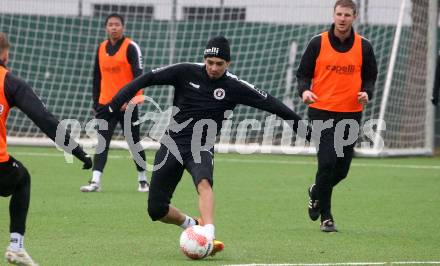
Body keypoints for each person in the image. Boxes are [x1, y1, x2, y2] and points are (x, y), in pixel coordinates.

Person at [97, 35, 310, 256]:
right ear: (204, 59)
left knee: (204, 183)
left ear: (229, 63)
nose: (214, 68)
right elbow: (145, 79)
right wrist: (113, 104)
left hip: (201, 145)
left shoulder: (235, 86)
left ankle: (208, 234)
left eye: (219, 64)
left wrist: (300, 127)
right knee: (156, 210)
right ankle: (192, 225)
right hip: (172, 143)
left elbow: (273, 103)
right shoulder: (185, 72)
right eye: (210, 62)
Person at [0, 32, 92, 266]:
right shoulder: (9, 82)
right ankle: (16, 245)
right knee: (21, 180)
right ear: (5, 54)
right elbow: (45, 120)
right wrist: (77, 150)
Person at [296, 0, 378, 232]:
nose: (342, 19)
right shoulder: (317, 43)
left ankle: (316, 191)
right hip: (322, 112)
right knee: (327, 163)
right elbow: (303, 74)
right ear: (334, 15)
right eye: (339, 14)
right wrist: (304, 91)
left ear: (355, 17)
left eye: (347, 15)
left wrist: (367, 93)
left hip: (351, 114)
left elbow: (370, 76)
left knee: (341, 170)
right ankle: (327, 218)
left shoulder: (364, 46)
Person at [80, 13, 149, 193]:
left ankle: (143, 180)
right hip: (106, 104)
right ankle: (95, 181)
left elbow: (139, 77)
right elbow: (97, 76)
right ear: (106, 27)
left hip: (127, 105)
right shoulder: (101, 48)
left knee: (133, 142)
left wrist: (130, 100)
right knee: (102, 142)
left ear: (123, 27)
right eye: (110, 24)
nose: (113, 27)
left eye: (117, 24)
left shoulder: (131, 47)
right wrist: (96, 103)